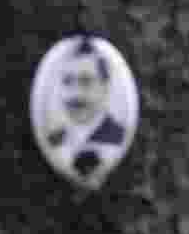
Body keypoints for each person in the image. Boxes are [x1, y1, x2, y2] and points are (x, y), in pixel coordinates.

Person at [42, 37, 127, 180]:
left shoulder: (117, 137)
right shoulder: (54, 140)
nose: (75, 94)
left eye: (86, 81)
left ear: (105, 88)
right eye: (68, 82)